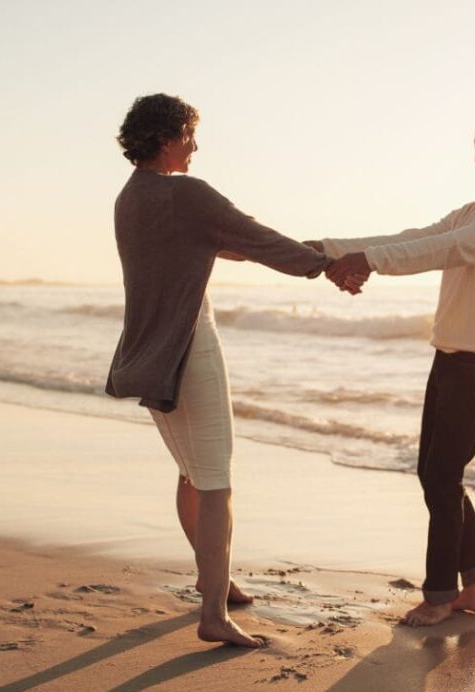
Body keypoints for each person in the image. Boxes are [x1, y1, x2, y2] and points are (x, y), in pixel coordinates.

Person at [105, 93, 356, 647]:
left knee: (192, 473)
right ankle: (214, 614)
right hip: (189, 346)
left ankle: (210, 577)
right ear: (168, 138)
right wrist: (324, 264)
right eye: (191, 135)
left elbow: (227, 243)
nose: (196, 146)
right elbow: (251, 234)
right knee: (215, 480)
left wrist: (306, 254)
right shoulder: (184, 192)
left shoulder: (130, 199)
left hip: (147, 353)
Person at [313, 113, 475, 627]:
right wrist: (331, 250)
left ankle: (441, 594)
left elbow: (443, 250)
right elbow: (416, 236)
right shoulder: (472, 210)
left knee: (442, 475)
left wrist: (365, 261)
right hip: (450, 356)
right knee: (434, 474)